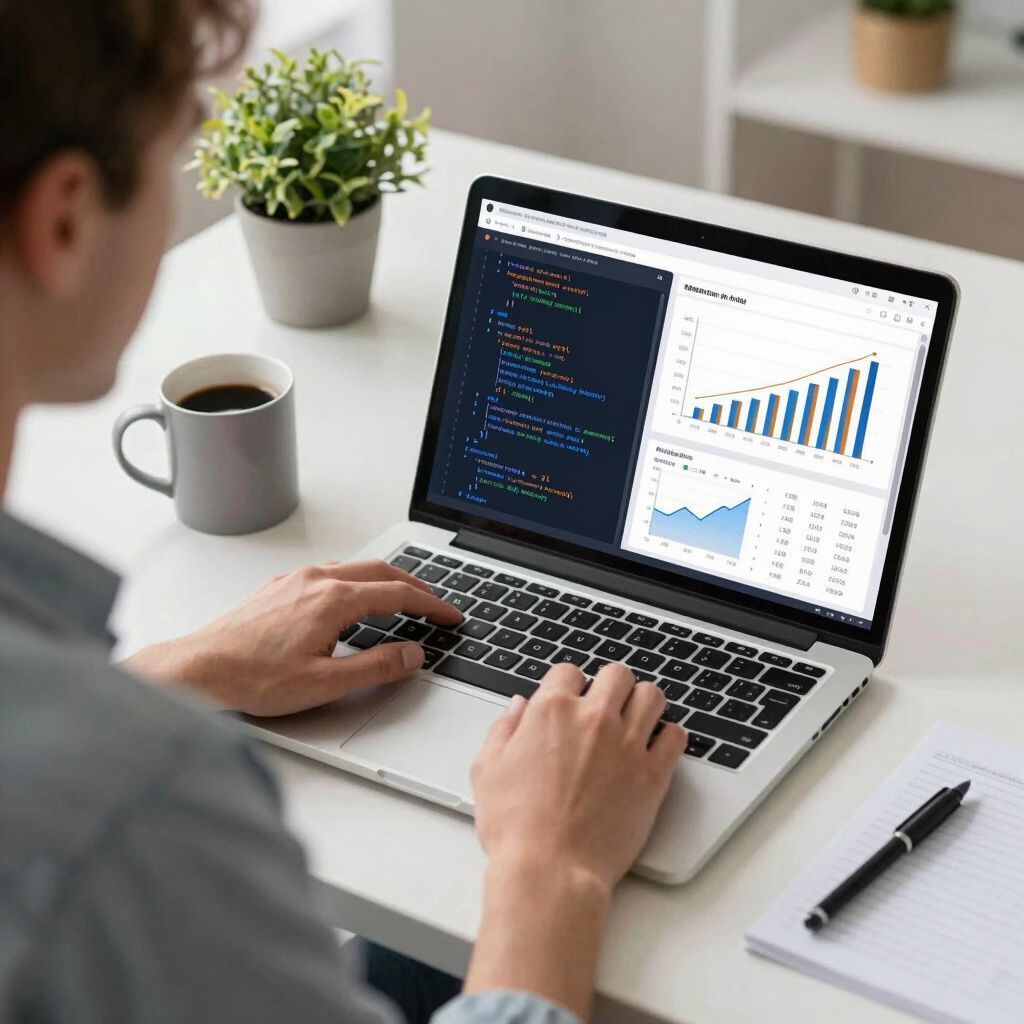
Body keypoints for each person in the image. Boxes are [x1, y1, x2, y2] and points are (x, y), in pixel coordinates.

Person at [0, 3, 689, 1023]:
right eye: (176, 149)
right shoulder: (135, 806)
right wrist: (554, 868)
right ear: (62, 219)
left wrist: (177, 672)